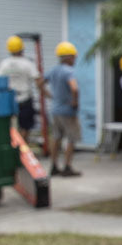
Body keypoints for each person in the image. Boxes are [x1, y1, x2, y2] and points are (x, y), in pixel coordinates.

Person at [45, 41, 81, 177]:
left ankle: (54, 166)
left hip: (55, 110)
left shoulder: (54, 70)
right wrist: (75, 102)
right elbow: (74, 88)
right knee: (71, 139)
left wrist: (48, 95)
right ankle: (67, 167)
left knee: (56, 138)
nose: (75, 59)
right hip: (67, 111)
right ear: (69, 57)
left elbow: (40, 82)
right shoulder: (69, 71)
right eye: (74, 57)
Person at [0, 35, 40, 135]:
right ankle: (22, 148)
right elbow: (37, 80)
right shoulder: (27, 63)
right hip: (25, 99)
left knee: (10, 126)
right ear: (22, 48)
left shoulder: (4, 64)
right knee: (25, 127)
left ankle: (14, 146)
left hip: (9, 99)